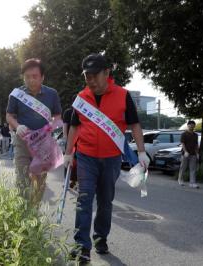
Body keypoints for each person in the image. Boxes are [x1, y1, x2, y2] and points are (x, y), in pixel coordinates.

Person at [64, 54, 150, 263]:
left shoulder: (123, 95)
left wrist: (141, 151)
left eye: (94, 75)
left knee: (105, 201)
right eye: (87, 76)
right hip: (85, 156)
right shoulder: (81, 97)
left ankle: (100, 237)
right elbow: (75, 126)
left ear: (106, 73)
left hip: (111, 158)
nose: (90, 80)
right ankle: (81, 246)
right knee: (84, 200)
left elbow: (134, 124)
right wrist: (68, 153)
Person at [6, 58, 62, 204]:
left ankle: (33, 212)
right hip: (23, 142)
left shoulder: (52, 94)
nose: (31, 80)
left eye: (35, 76)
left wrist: (53, 125)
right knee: (22, 179)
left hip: (43, 143)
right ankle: (24, 215)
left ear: (42, 77)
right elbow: (9, 116)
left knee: (39, 181)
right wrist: (17, 126)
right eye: (27, 77)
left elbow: (58, 116)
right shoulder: (16, 94)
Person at [178, 121, 199, 188]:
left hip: (193, 153)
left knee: (193, 169)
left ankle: (192, 182)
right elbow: (183, 143)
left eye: (193, 125)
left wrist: (197, 153)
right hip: (185, 154)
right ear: (188, 125)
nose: (192, 126)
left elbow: (196, 144)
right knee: (183, 167)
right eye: (190, 125)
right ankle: (180, 180)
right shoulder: (184, 134)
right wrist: (185, 151)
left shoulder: (195, 135)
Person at [63, 104, 78, 189]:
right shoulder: (69, 112)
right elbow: (65, 125)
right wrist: (65, 137)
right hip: (74, 140)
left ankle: (69, 181)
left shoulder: (68, 111)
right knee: (72, 161)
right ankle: (70, 181)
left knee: (69, 160)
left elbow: (64, 126)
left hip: (70, 139)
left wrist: (65, 137)